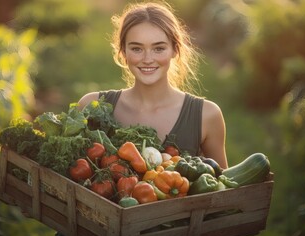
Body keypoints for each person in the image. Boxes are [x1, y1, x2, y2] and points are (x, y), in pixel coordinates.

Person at [78, 1, 228, 169]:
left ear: (175, 50)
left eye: (158, 48)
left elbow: (224, 188)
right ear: (123, 52)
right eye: (137, 49)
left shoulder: (206, 115)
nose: (148, 59)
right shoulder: (91, 107)